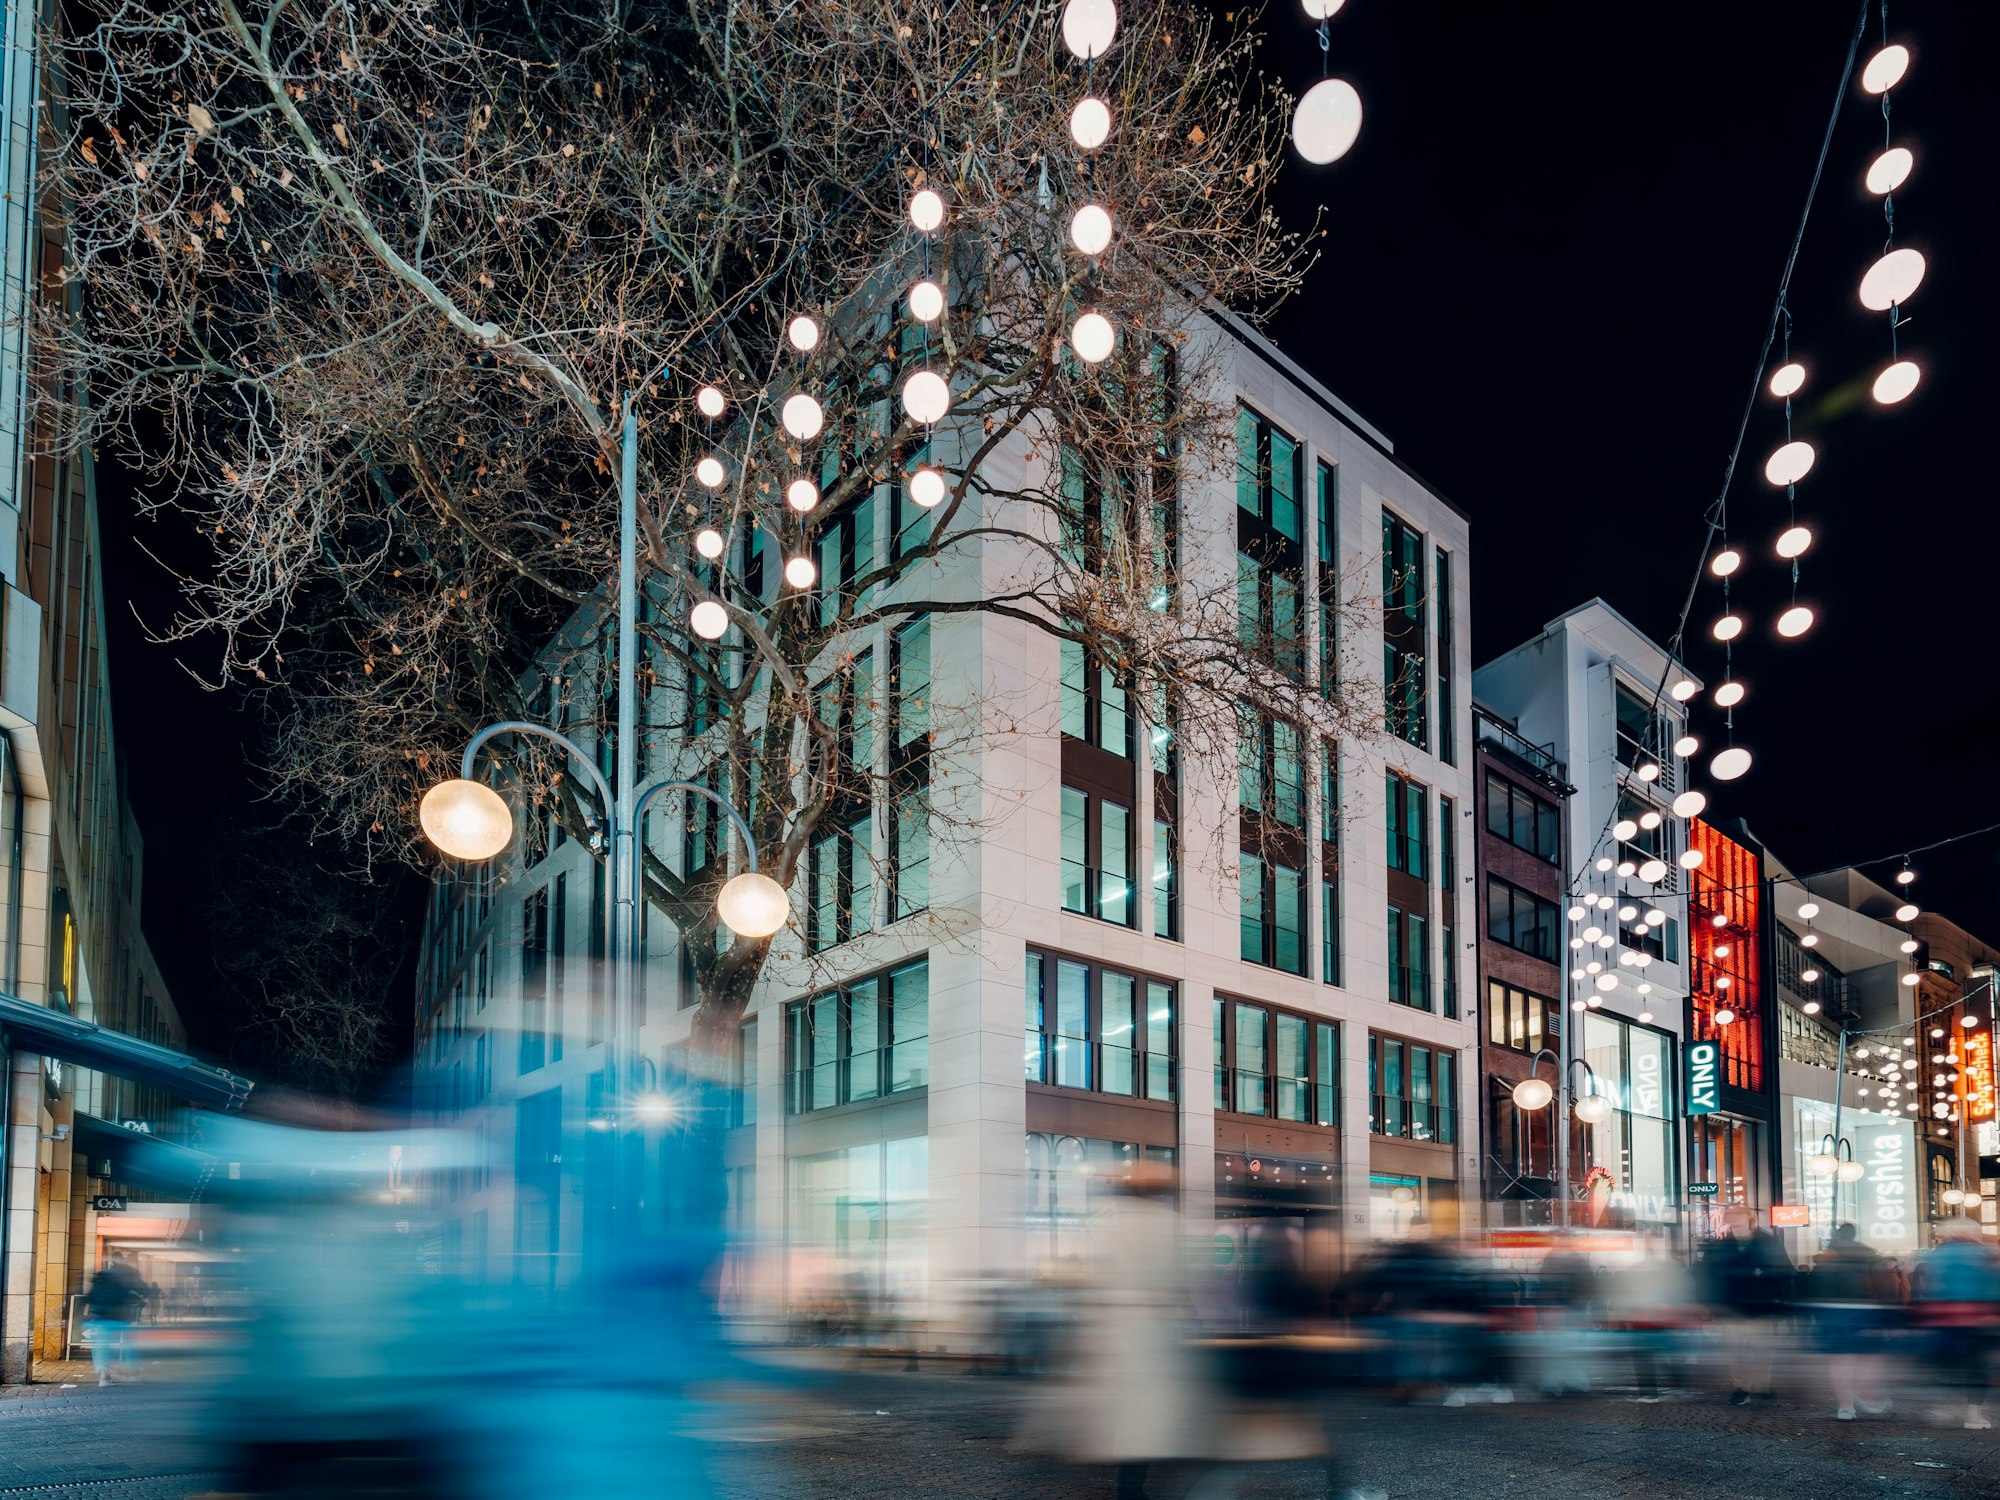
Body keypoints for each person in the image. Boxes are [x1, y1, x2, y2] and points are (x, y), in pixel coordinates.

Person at [1698, 1204, 1794, 1404]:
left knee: (1761, 1350)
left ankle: (1761, 1386)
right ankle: (1741, 1387)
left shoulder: (1768, 1242)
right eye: (1729, 1214)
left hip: (1761, 1305)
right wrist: (1710, 1303)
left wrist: (1764, 1275)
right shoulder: (1720, 1245)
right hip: (1730, 1307)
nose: (1732, 1217)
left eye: (1737, 1213)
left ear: (1749, 1217)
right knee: (1733, 1351)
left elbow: (1785, 1270)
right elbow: (1707, 1275)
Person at [1910, 1216, 2000, 1430]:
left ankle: (1948, 1406)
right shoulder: (1986, 1253)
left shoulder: (1936, 1255)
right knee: (1977, 1366)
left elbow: (1928, 1284)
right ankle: (1973, 1415)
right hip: (1978, 1316)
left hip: (1942, 1316)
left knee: (1947, 1362)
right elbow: (1992, 1284)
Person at [1804, 1223, 1892, 1420]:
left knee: (1839, 1361)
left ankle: (1845, 1407)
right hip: (1865, 1310)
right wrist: (1889, 1312)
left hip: (1832, 1312)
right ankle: (1862, 1392)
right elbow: (1884, 1286)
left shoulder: (1825, 1260)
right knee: (1869, 1358)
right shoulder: (1870, 1256)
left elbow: (1813, 1289)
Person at [84, 1253, 151, 1387]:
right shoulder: (128, 1273)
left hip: (99, 1315)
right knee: (129, 1343)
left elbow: (90, 1295)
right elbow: (145, 1290)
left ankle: (104, 1377)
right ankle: (134, 1373)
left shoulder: (101, 1276)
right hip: (120, 1315)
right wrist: (137, 1297)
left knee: (102, 1347)